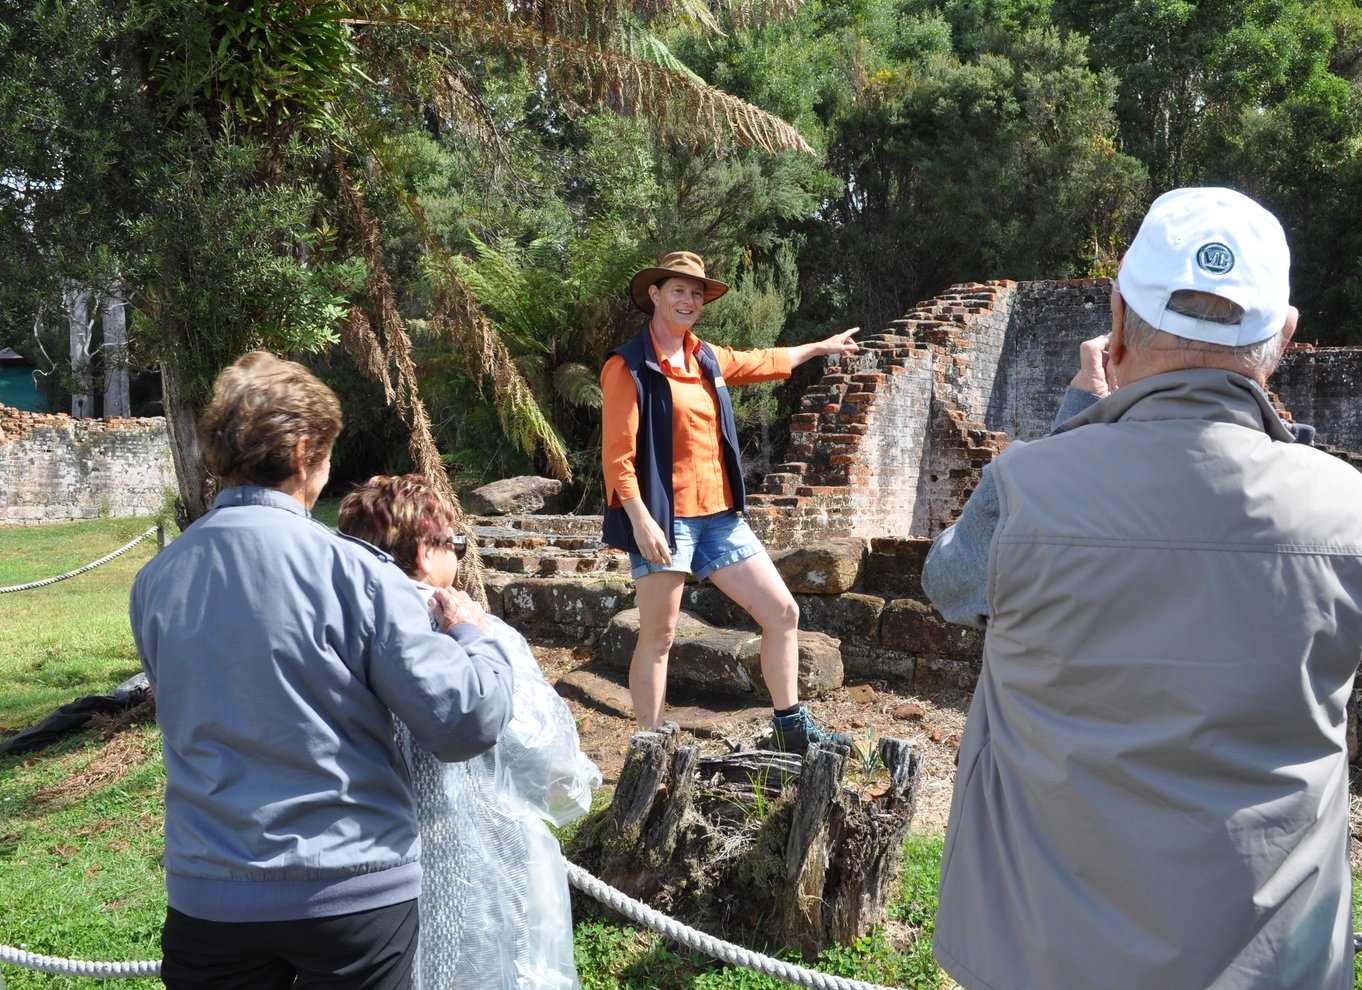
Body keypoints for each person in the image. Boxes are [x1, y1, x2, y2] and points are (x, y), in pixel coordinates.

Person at [921, 187, 1362, 989]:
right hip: (1275, 961)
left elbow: (949, 584)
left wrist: (1073, 426)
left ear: (1116, 322)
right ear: (1285, 338)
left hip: (1039, 953)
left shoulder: (1028, 487)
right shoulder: (1348, 513)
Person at [129, 351, 516, 990]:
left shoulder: (157, 582)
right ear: (306, 451)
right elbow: (461, 722)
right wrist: (475, 641)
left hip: (210, 892)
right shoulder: (360, 576)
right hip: (350, 890)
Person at [337, 474, 601, 990]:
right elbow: (549, 762)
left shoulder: (331, 634)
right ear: (424, 551)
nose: (459, 555)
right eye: (454, 543)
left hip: (364, 874)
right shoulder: (469, 629)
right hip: (474, 861)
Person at [601, 250, 860, 753]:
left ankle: (790, 731)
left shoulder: (706, 357)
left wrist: (822, 347)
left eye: (697, 293)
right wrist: (640, 520)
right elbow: (618, 457)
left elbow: (763, 360)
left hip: (719, 518)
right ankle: (650, 751)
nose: (689, 299)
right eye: (678, 289)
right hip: (664, 518)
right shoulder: (628, 365)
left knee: (783, 613)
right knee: (660, 638)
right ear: (654, 294)